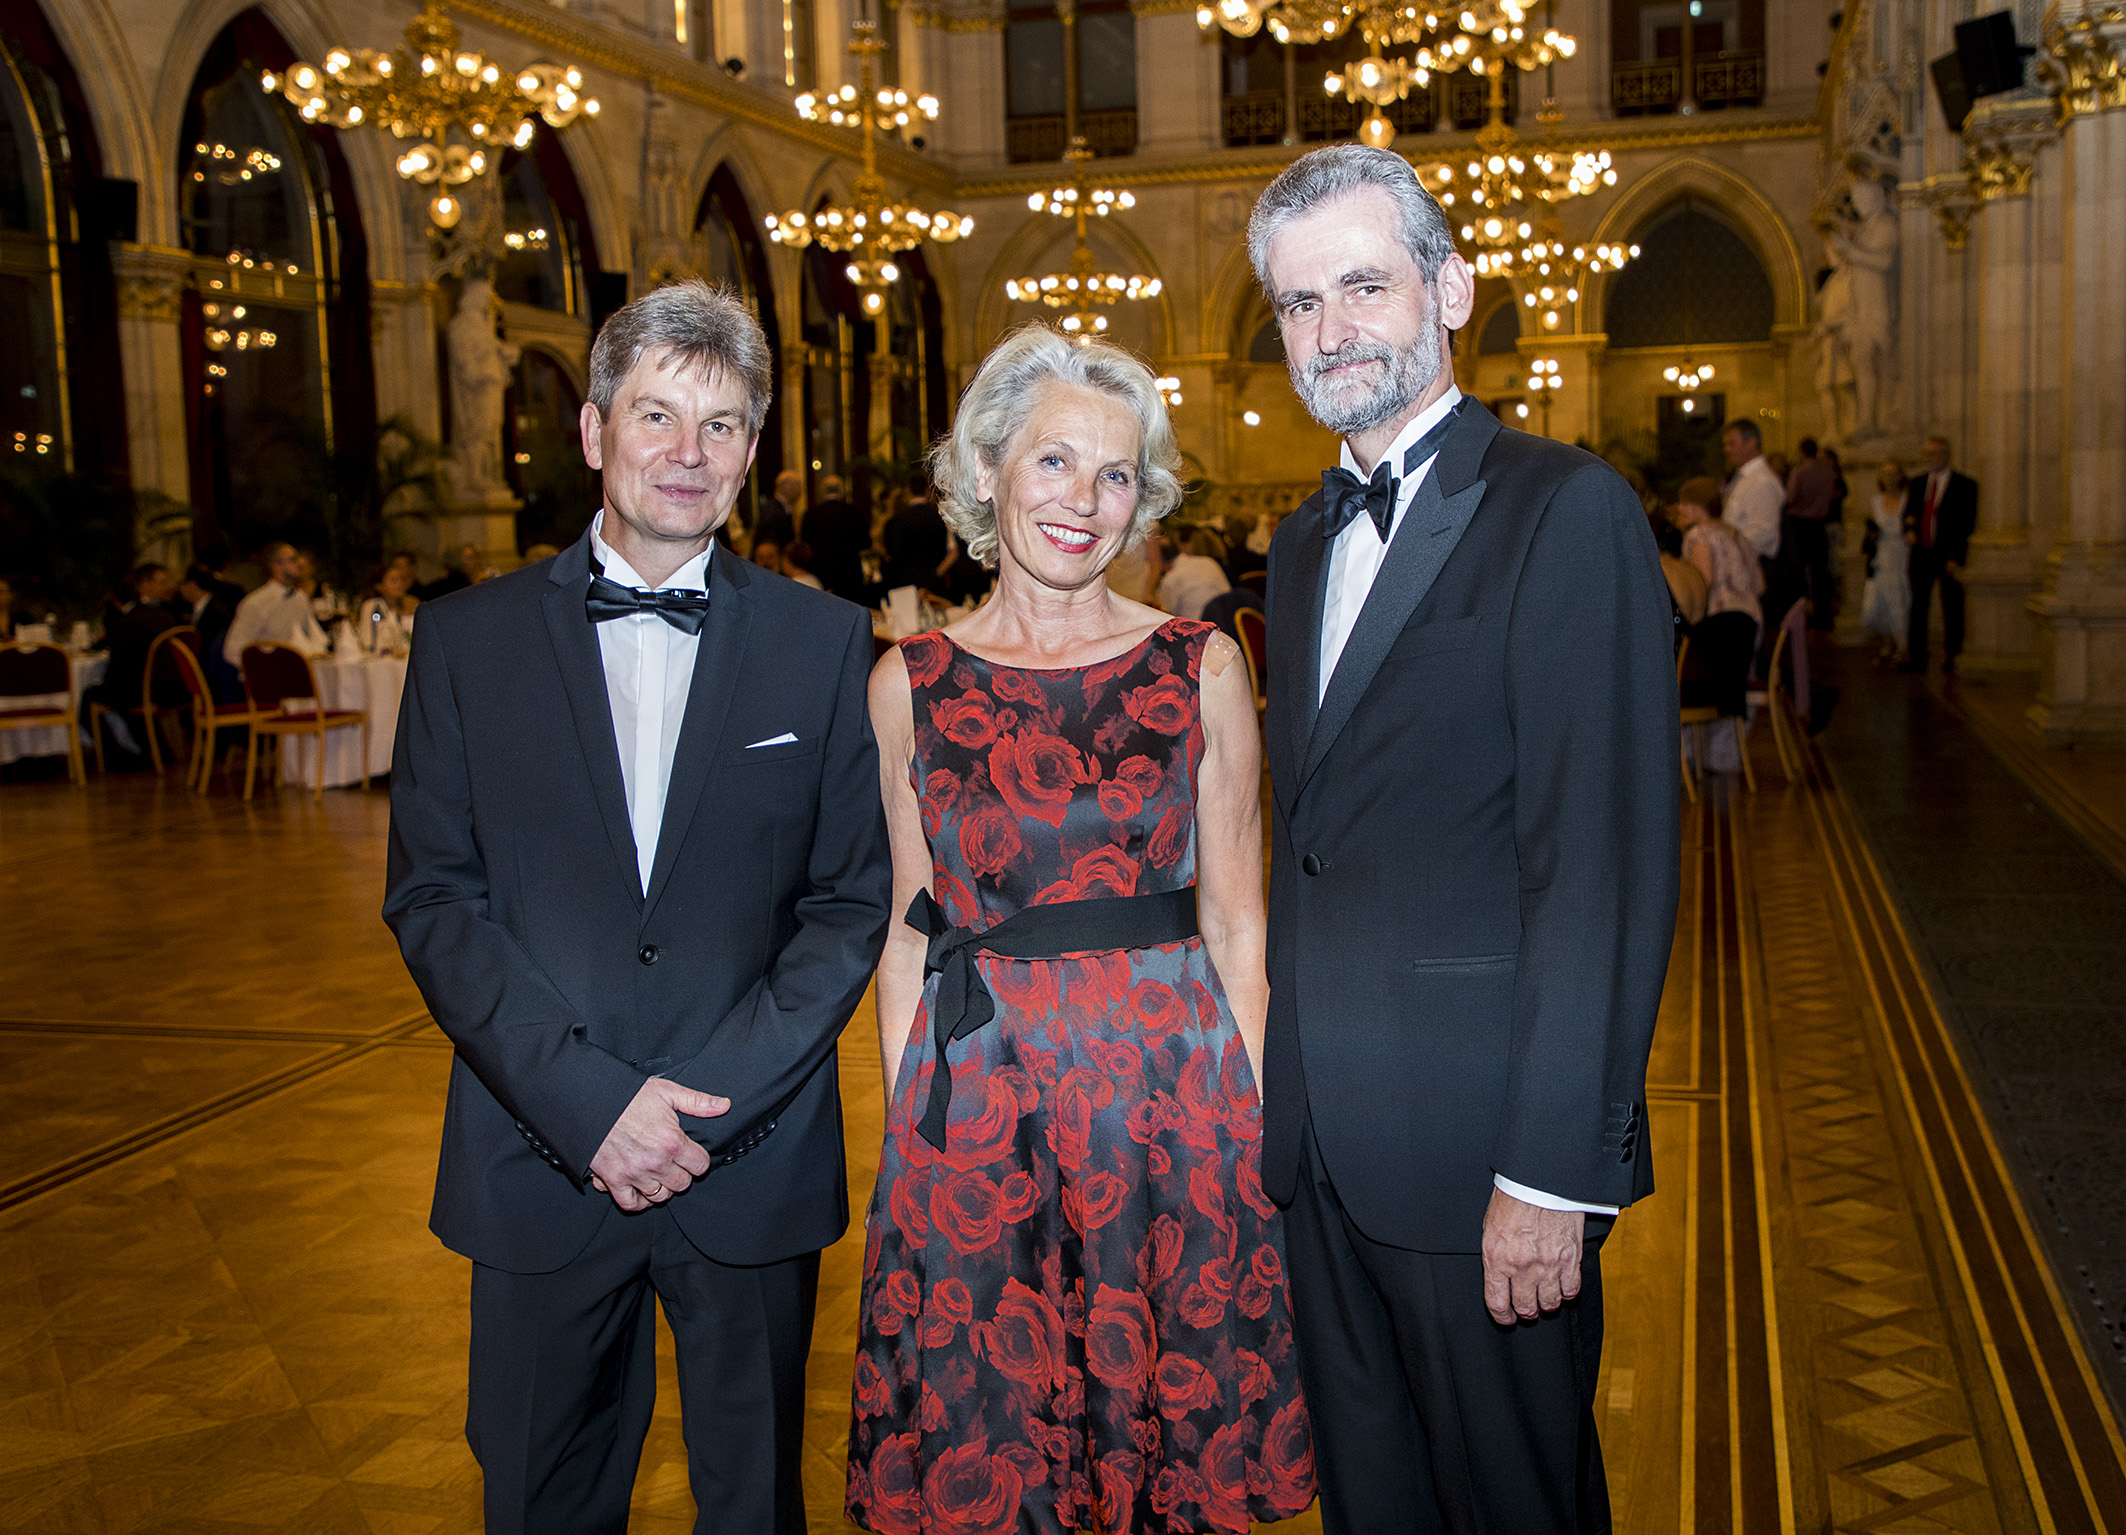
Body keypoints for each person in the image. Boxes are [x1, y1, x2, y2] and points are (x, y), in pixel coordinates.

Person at [382, 279, 892, 1533]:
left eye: (720, 425)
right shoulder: (466, 641)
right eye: (655, 415)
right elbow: (435, 899)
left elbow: (846, 905)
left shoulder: (825, 642)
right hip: (539, 1152)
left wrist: (703, 1104)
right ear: (592, 428)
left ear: (752, 451)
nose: (686, 452)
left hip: (746, 1157)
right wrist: (590, 1103)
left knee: (754, 1501)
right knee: (541, 1497)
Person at [1249, 144, 1678, 1534]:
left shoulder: (1565, 508)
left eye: (1362, 286)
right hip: (1321, 1149)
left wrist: (1551, 1171)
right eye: (1298, 302)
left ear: (1448, 289)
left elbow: (1600, 869)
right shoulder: (1300, 542)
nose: (1330, 329)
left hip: (1484, 1154)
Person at [845, 325, 1316, 1535]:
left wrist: (1252, 1137)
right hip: (979, 1107)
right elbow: (908, 932)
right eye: (1053, 461)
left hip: (1170, 1109)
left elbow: (1238, 925)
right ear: (988, 468)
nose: (1082, 500)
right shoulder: (907, 682)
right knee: (997, 1442)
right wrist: (909, 1135)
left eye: (1114, 475)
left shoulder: (1200, 666)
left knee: (1165, 1447)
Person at [1673, 476, 1764, 720]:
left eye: (1684, 503)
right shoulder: (1735, 533)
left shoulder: (1699, 536)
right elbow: (1760, 585)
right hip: (1751, 624)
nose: (1680, 508)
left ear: (1696, 505)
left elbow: (1702, 586)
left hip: (1721, 630)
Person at [1899, 433, 1978, 675]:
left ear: (1946, 455)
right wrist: (1909, 530)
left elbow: (1967, 524)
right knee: (1918, 606)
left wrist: (1956, 556)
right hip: (1921, 553)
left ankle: (1952, 656)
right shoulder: (1917, 483)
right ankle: (1917, 655)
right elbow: (1908, 514)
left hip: (1947, 555)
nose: (1929, 458)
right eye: (1926, 454)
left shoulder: (1965, 485)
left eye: (1933, 454)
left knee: (1952, 608)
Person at [222, 542, 327, 668]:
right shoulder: (255, 603)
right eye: (293, 559)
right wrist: (267, 666)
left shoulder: (300, 597)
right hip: (269, 674)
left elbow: (310, 635)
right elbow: (232, 651)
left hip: (297, 670)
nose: (299, 563)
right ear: (276, 566)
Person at [1782, 436, 1839, 629]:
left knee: (1798, 572)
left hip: (1800, 524)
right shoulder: (1827, 470)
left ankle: (1800, 615)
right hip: (1819, 524)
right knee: (1820, 571)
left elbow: (1790, 497)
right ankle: (1823, 615)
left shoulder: (1800, 470)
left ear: (1802, 451)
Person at [1861, 459, 1911, 664]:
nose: (1889, 478)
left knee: (1900, 598)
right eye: (1886, 474)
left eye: (1893, 473)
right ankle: (1887, 642)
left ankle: (1903, 646)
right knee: (1881, 599)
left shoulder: (1907, 500)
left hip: (1902, 553)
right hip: (1882, 554)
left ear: (1901, 476)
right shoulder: (1876, 501)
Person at [1721, 419, 1783, 574]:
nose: (1727, 449)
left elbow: (1763, 533)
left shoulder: (1762, 481)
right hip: (1742, 561)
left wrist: (1725, 551)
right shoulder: (1745, 477)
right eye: (1726, 444)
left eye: (1732, 444)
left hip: (1755, 566)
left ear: (1751, 443)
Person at [802, 473, 870, 603]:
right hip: (849, 574)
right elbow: (865, 543)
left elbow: (805, 545)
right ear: (842, 490)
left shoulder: (811, 515)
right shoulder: (854, 513)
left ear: (823, 491)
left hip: (821, 573)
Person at [176, 563, 240, 700]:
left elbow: (210, 653)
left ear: (192, 584)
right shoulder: (202, 609)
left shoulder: (215, 613)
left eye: (182, 583)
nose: (179, 588)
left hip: (215, 683)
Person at [881, 469, 948, 593]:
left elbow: (893, 555)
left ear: (908, 491)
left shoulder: (897, 521)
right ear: (927, 491)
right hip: (933, 582)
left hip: (904, 583)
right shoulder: (940, 519)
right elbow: (949, 550)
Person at [1152, 530, 1234, 619]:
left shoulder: (1170, 579)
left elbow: (1164, 615)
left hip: (1200, 624)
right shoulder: (1208, 561)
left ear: (1159, 561)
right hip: (1230, 620)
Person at [356, 563, 421, 655]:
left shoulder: (411, 603)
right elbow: (367, 639)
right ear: (379, 586)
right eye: (393, 580)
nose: (399, 584)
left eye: (402, 580)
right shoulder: (373, 606)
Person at [758, 468, 803, 552]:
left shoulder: (784, 508)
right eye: (798, 486)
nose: (800, 491)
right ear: (787, 487)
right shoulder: (774, 512)